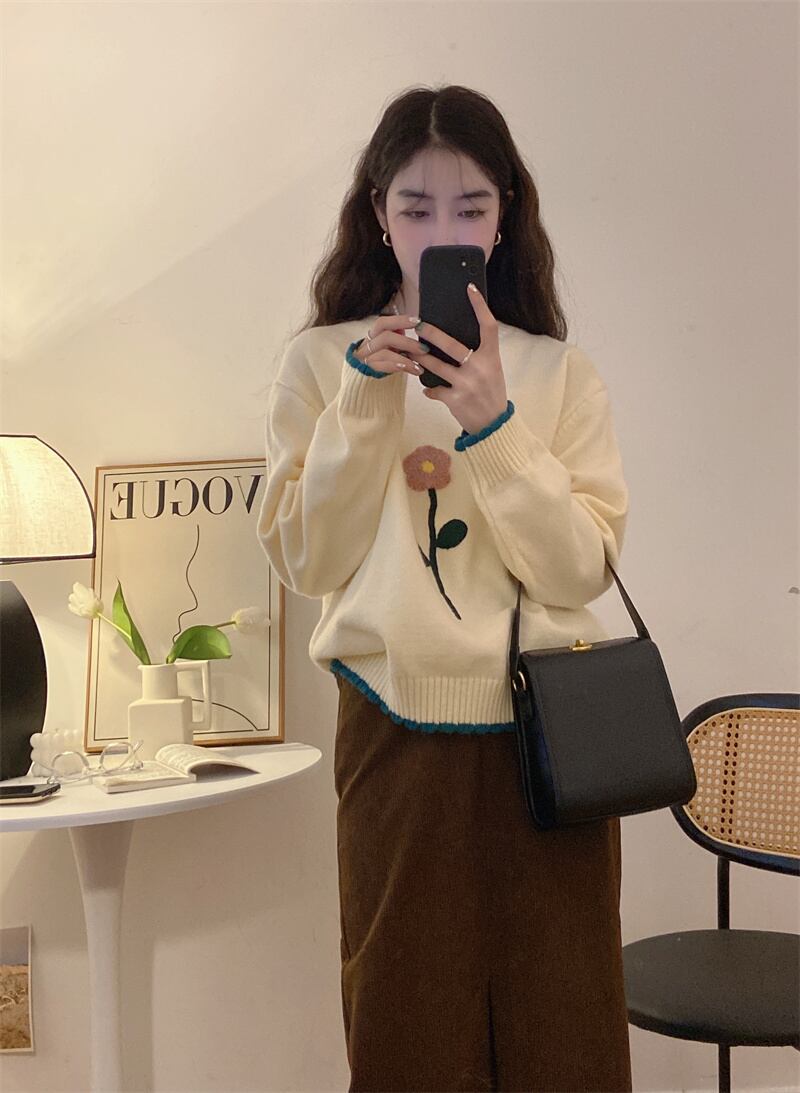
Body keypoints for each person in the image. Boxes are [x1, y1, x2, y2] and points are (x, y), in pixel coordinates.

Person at [258, 84, 632, 1093]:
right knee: (405, 1028)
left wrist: (493, 424)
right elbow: (306, 561)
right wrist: (361, 403)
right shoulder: (318, 366)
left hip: (552, 739)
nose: (442, 232)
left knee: (564, 1030)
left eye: (469, 206)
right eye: (415, 207)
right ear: (377, 216)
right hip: (392, 732)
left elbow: (580, 569)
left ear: (504, 216)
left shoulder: (558, 373)